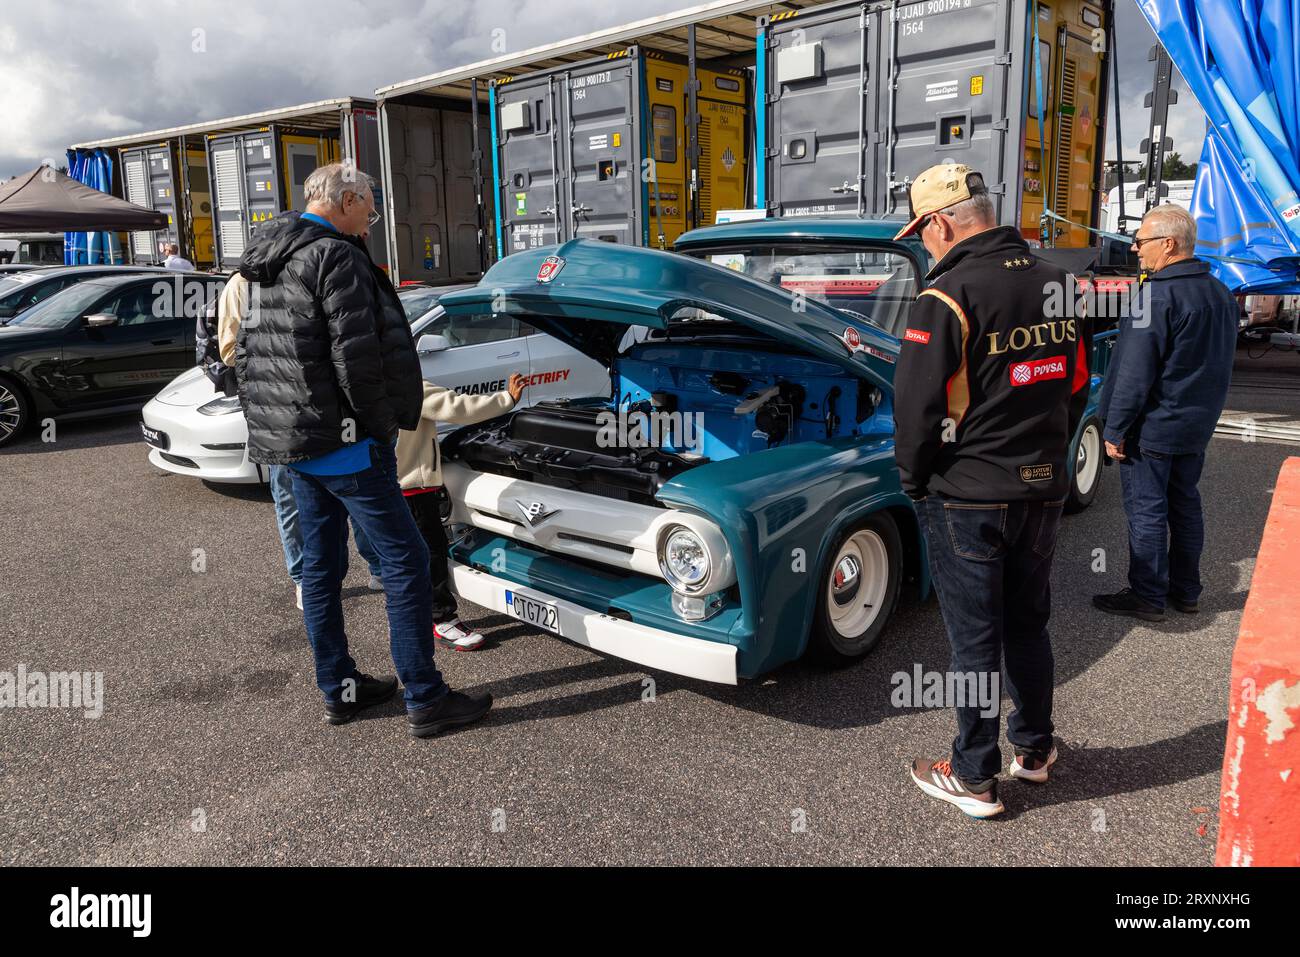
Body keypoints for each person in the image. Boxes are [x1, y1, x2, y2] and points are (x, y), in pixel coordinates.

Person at [235, 162, 490, 737]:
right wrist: (380, 431)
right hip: (346, 446)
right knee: (406, 563)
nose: (369, 221)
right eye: (369, 209)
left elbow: (246, 356)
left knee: (320, 571)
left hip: (295, 446)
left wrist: (275, 432)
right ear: (346, 199)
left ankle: (340, 690)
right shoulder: (336, 256)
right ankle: (426, 697)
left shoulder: (264, 258)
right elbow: (357, 360)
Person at [891, 163, 1090, 818]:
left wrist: (915, 480)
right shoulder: (1060, 281)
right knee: (1028, 623)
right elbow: (1076, 381)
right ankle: (1033, 750)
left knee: (974, 640)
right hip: (1043, 486)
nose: (925, 245)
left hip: (968, 494)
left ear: (941, 223)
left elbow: (916, 411)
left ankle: (974, 776)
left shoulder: (944, 296)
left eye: (923, 233)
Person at [1092, 205, 1236, 621]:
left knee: (1147, 510)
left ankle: (1148, 595)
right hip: (1195, 424)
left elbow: (1134, 374)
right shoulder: (1221, 293)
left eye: (1141, 241)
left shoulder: (1155, 297)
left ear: (1168, 244)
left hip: (1153, 428)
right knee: (1185, 506)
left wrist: (1115, 429)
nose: (1135, 249)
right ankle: (1186, 591)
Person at [216, 271, 384, 610]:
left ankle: (377, 566)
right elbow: (230, 350)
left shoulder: (315, 273)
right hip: (281, 415)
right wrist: (287, 357)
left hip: (333, 409)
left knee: (356, 488)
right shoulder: (245, 285)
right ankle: (305, 578)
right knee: (290, 499)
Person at [397, 373, 527, 651]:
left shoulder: (362, 381)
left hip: (385, 485)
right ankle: (442, 620)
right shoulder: (405, 382)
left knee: (401, 558)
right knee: (431, 553)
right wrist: (506, 399)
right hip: (413, 488)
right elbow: (457, 408)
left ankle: (412, 616)